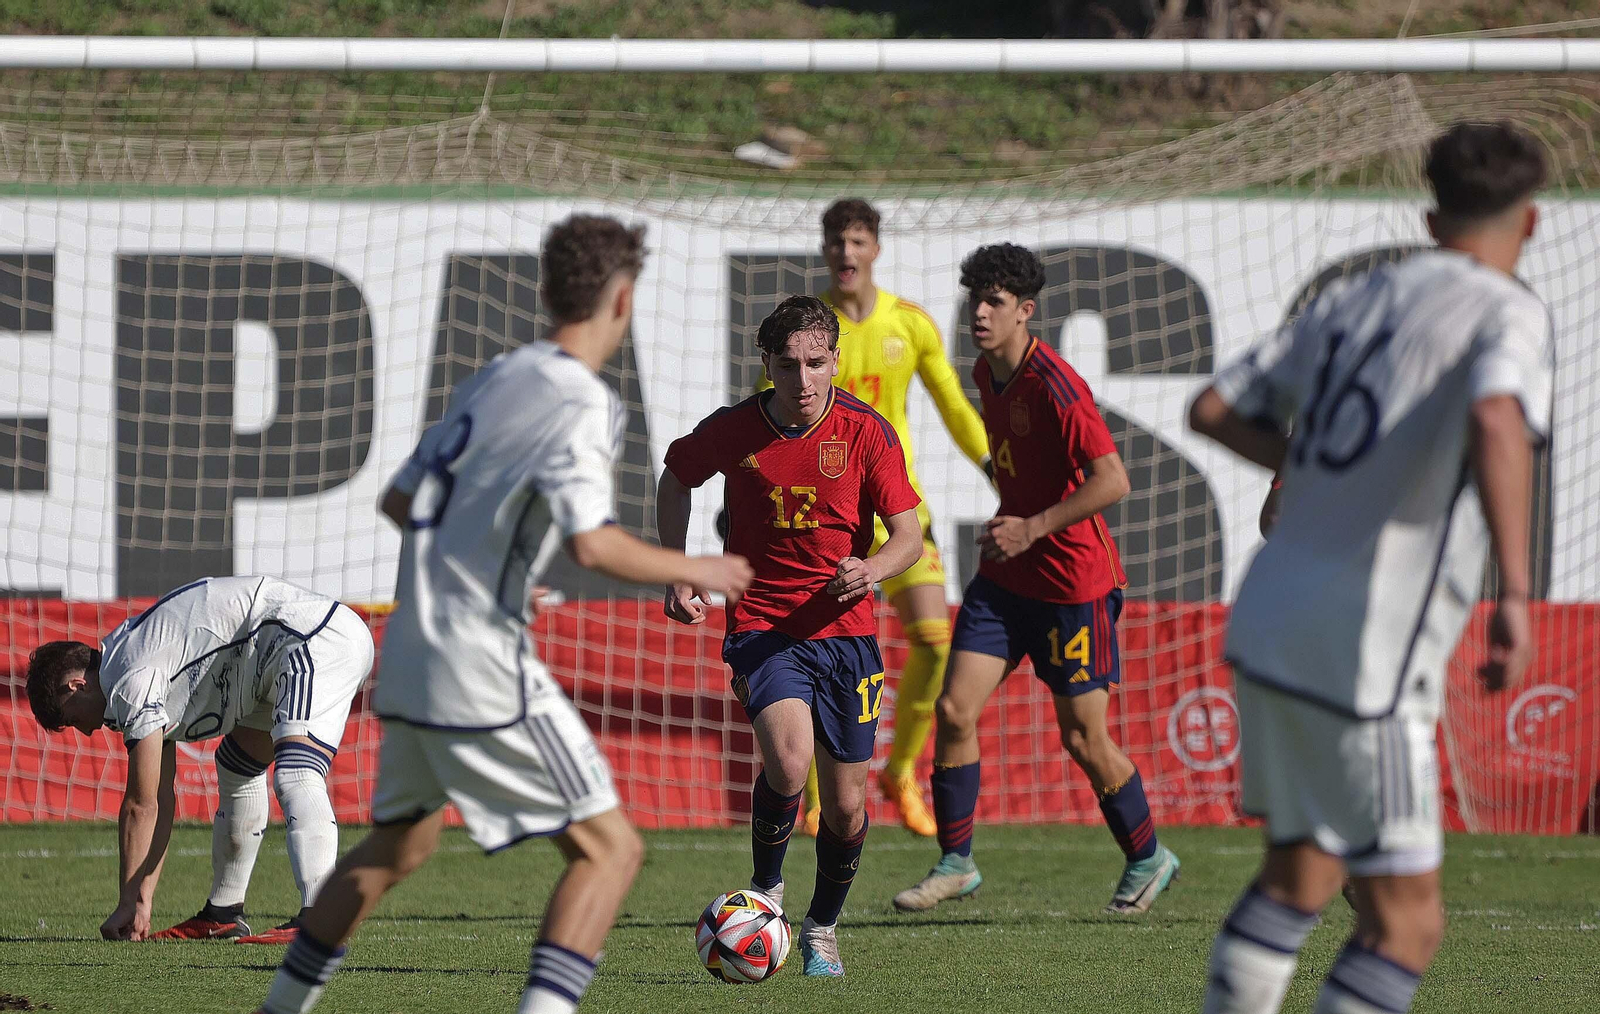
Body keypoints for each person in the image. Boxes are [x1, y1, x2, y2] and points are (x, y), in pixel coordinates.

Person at [253, 215, 751, 1014]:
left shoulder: (497, 375)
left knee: (396, 847)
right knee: (610, 852)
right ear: (622, 299)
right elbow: (591, 545)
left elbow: (401, 498)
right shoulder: (582, 400)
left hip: (409, 653)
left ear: (550, 291)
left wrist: (483, 560)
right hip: (479, 660)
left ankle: (278, 1009)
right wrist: (698, 565)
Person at [1188, 120, 1550, 1014]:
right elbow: (1500, 422)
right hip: (1366, 644)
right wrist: (1516, 592)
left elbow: (1213, 407)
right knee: (1406, 925)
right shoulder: (1508, 309)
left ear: (1431, 219)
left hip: (1270, 615)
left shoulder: (1359, 296)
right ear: (1532, 223)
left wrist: (1306, 473)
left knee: (1300, 876)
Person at [893, 243, 1179, 916]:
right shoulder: (985, 372)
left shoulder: (1058, 386)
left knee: (1083, 738)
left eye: (995, 302)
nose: (981, 313)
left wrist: (1032, 524)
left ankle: (1148, 856)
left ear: (1026, 311)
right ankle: (957, 861)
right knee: (955, 709)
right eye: (976, 300)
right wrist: (1010, 523)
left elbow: (1113, 480)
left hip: (1073, 583)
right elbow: (1015, 466)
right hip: (1006, 576)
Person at [658, 294, 923, 976]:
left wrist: (871, 569)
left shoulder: (868, 433)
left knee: (845, 804)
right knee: (789, 759)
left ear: (836, 360)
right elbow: (676, 477)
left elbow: (909, 539)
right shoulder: (734, 429)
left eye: (815, 363)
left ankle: (823, 928)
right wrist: (679, 569)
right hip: (763, 625)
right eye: (787, 365)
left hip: (847, 635)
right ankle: (767, 892)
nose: (803, 381)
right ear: (766, 365)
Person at [786, 197, 993, 838]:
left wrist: (995, 467)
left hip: (901, 513)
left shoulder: (912, 325)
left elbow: (955, 405)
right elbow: (774, 411)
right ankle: (817, 799)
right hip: (828, 519)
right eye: (834, 242)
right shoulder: (807, 332)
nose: (844, 253)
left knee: (934, 644)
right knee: (818, 660)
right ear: (824, 250)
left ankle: (899, 770)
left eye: (856, 241)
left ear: (875, 248)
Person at [25, 574, 374, 945]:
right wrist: (141, 902)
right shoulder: (125, 664)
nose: (85, 731)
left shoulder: (130, 682)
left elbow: (139, 806)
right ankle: (222, 914)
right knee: (237, 765)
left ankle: (321, 915)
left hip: (314, 639)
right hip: (277, 658)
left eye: (72, 719)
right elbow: (158, 797)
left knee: (296, 772)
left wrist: (127, 902)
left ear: (75, 685)